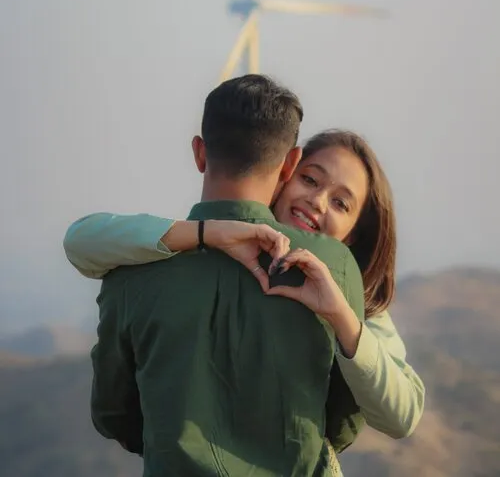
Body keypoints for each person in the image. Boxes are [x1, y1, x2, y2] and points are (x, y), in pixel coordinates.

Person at [78, 74, 367, 477]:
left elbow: (112, 413)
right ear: (289, 165)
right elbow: (345, 416)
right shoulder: (330, 266)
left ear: (199, 152)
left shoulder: (132, 270)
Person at [65, 130, 425, 451]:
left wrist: (342, 317)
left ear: (354, 234)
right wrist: (203, 233)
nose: (317, 201)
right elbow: (82, 240)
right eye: (311, 180)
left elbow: (402, 416)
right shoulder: (208, 249)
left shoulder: (357, 303)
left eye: (340, 203)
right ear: (285, 172)